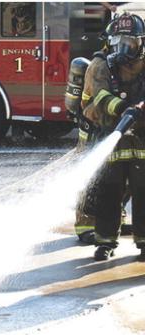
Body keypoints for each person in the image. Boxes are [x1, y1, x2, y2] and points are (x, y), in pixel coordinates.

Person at [80, 12, 145, 260]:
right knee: (109, 190)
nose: (123, 49)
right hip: (111, 137)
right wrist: (122, 109)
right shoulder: (101, 65)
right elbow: (100, 98)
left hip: (142, 138)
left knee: (144, 191)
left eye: (129, 43)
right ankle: (105, 242)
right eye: (117, 42)